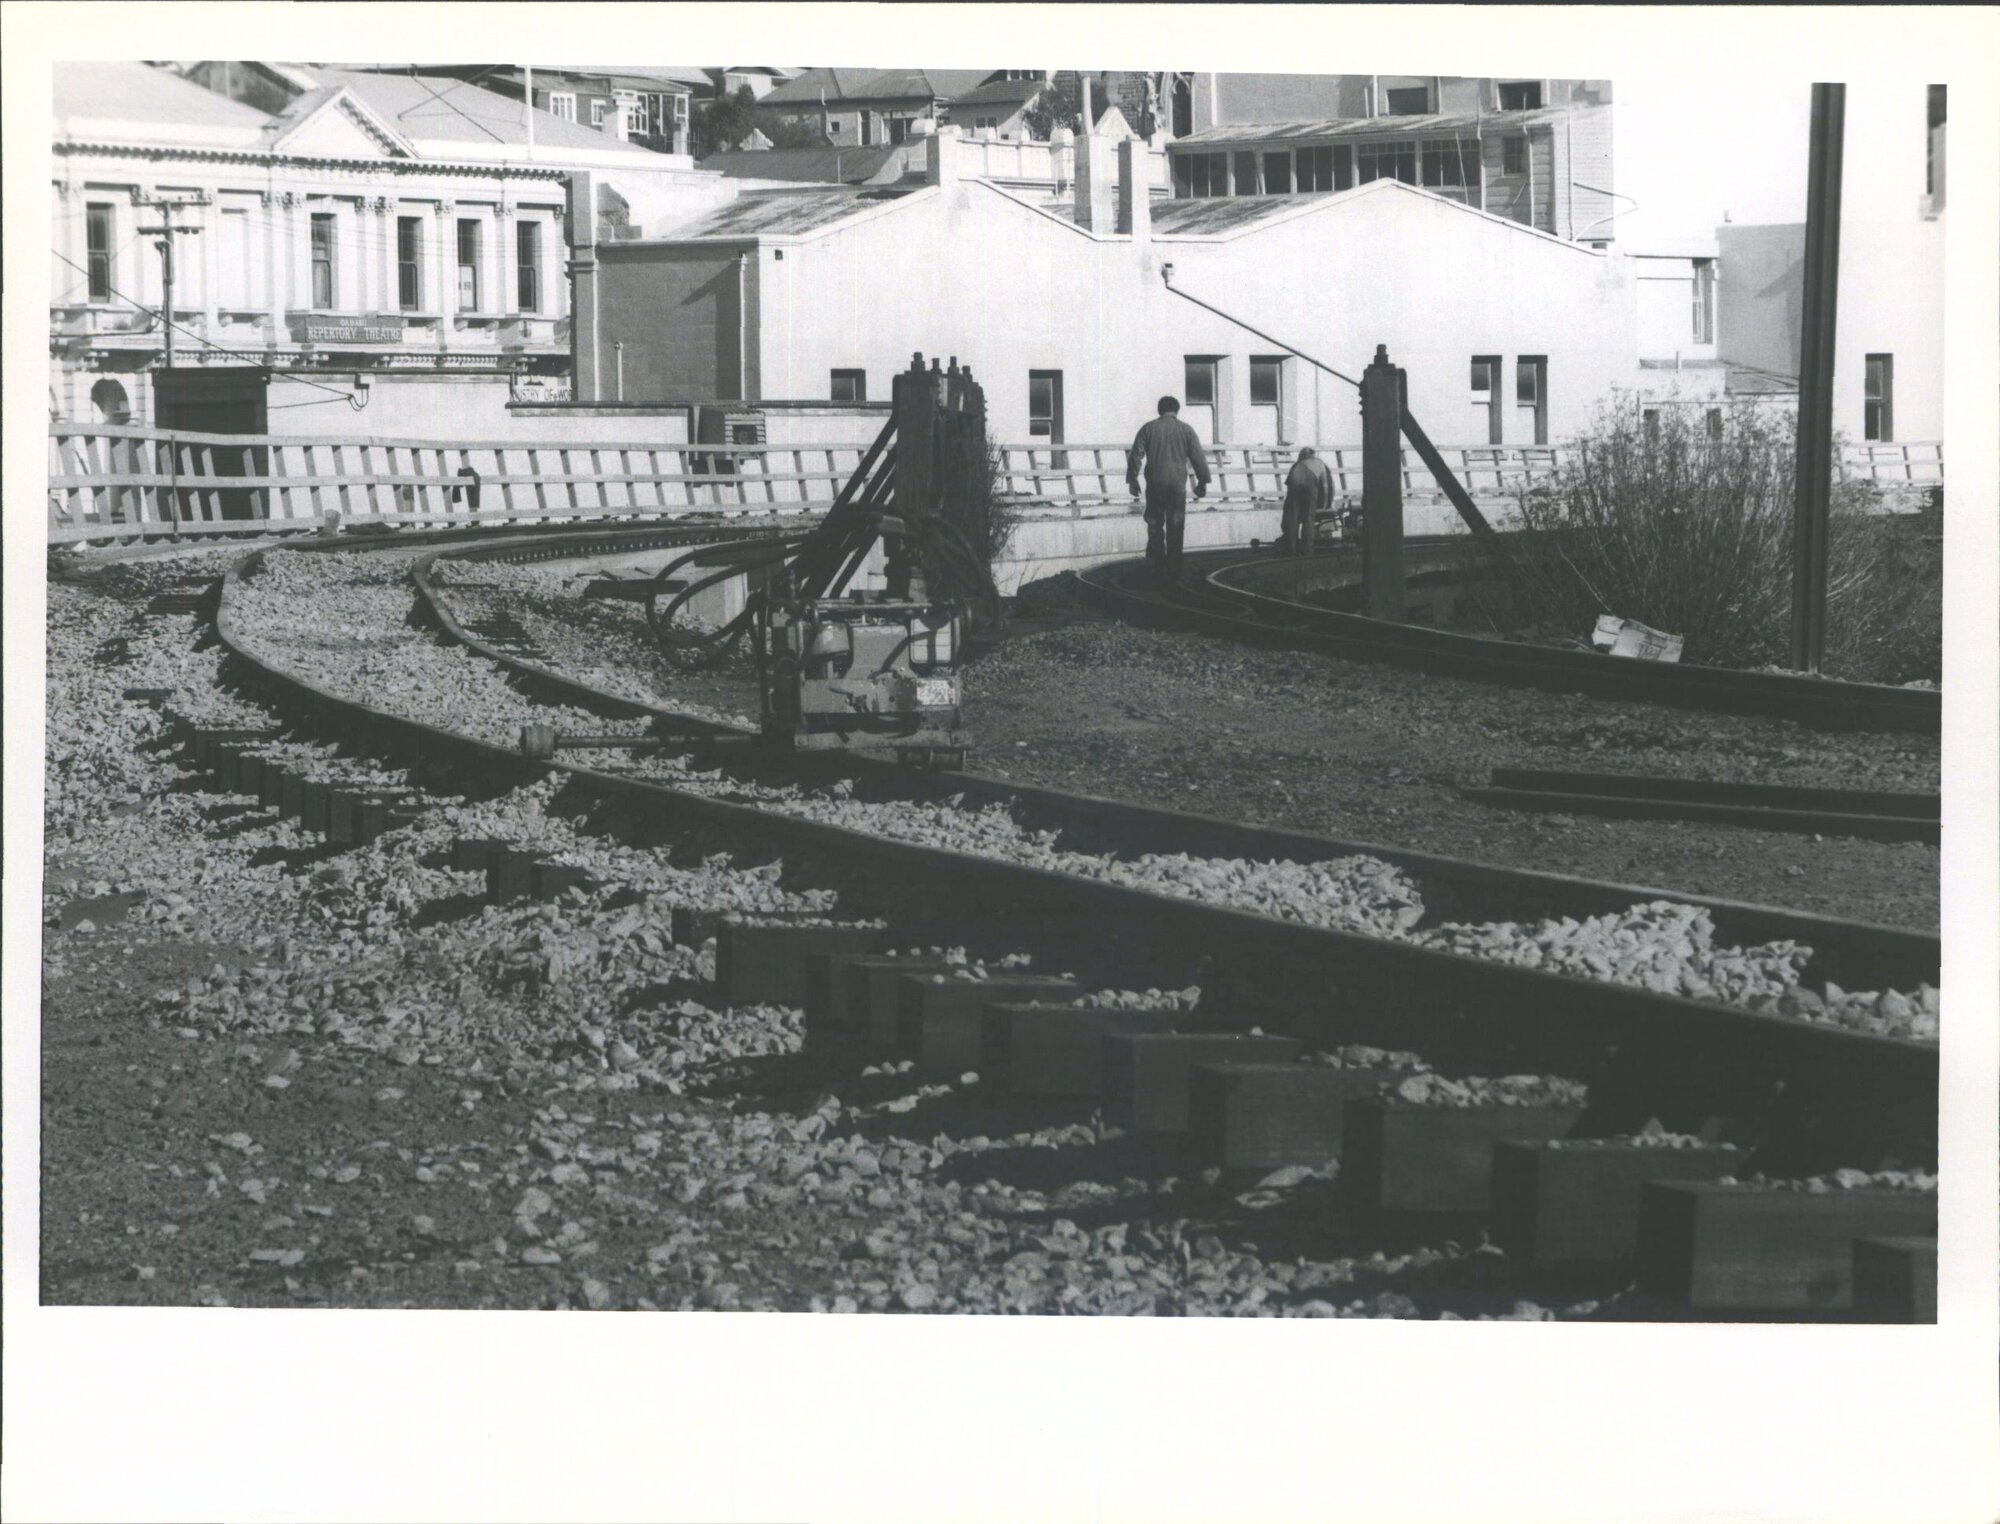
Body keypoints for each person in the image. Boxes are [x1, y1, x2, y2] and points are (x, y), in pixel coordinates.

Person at [1127, 396, 1210, 584]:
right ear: (1177, 410)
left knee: (1155, 524)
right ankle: (1174, 568)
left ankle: (1157, 563)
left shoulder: (1148, 428)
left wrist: (1132, 479)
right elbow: (1198, 457)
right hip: (1176, 486)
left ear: (1159, 410)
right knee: (1176, 525)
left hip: (1155, 484)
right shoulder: (1186, 430)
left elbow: (1136, 456)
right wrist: (1202, 482)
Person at [1281, 445, 1335, 558]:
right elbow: (1325, 485)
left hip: (1294, 488)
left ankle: (1291, 551)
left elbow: (1289, 488)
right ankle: (1307, 552)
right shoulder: (1319, 463)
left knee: (1293, 519)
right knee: (1308, 520)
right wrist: (1325, 504)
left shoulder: (1296, 465)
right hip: (1310, 488)